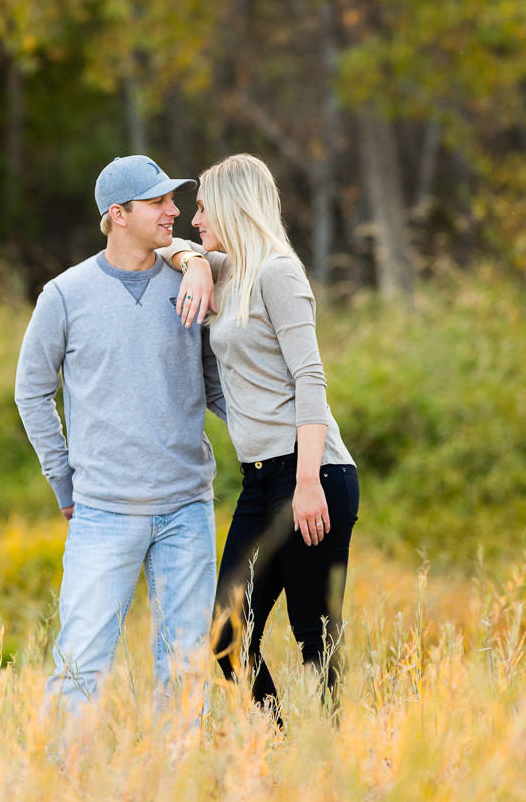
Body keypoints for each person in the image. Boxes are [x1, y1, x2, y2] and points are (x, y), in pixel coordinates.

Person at [14, 153, 228, 718]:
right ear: (119, 214)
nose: (173, 211)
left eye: (172, 201)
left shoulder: (188, 280)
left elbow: (215, 386)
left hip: (187, 508)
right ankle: (62, 780)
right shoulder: (64, 296)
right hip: (103, 511)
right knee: (81, 666)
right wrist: (63, 481)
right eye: (159, 202)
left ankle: (174, 781)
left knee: (185, 668)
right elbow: (31, 392)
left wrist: (279, 445)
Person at [166, 153, 359, 721]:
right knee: (226, 632)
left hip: (312, 474)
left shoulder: (279, 271)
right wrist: (195, 262)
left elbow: (311, 377)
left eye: (202, 208)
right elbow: (159, 249)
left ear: (232, 205)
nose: (194, 220)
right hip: (258, 480)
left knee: (312, 633)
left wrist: (305, 482)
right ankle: (275, 742)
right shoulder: (228, 271)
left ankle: (329, 756)